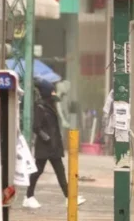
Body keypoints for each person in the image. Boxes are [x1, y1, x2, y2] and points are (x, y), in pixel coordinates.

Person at [23, 79, 86, 209]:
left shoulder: (50, 104)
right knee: (37, 171)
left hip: (54, 146)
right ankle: (28, 196)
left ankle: (69, 197)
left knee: (60, 171)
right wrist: (46, 138)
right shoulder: (40, 107)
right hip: (45, 146)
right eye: (51, 91)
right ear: (47, 92)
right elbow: (36, 127)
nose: (54, 93)